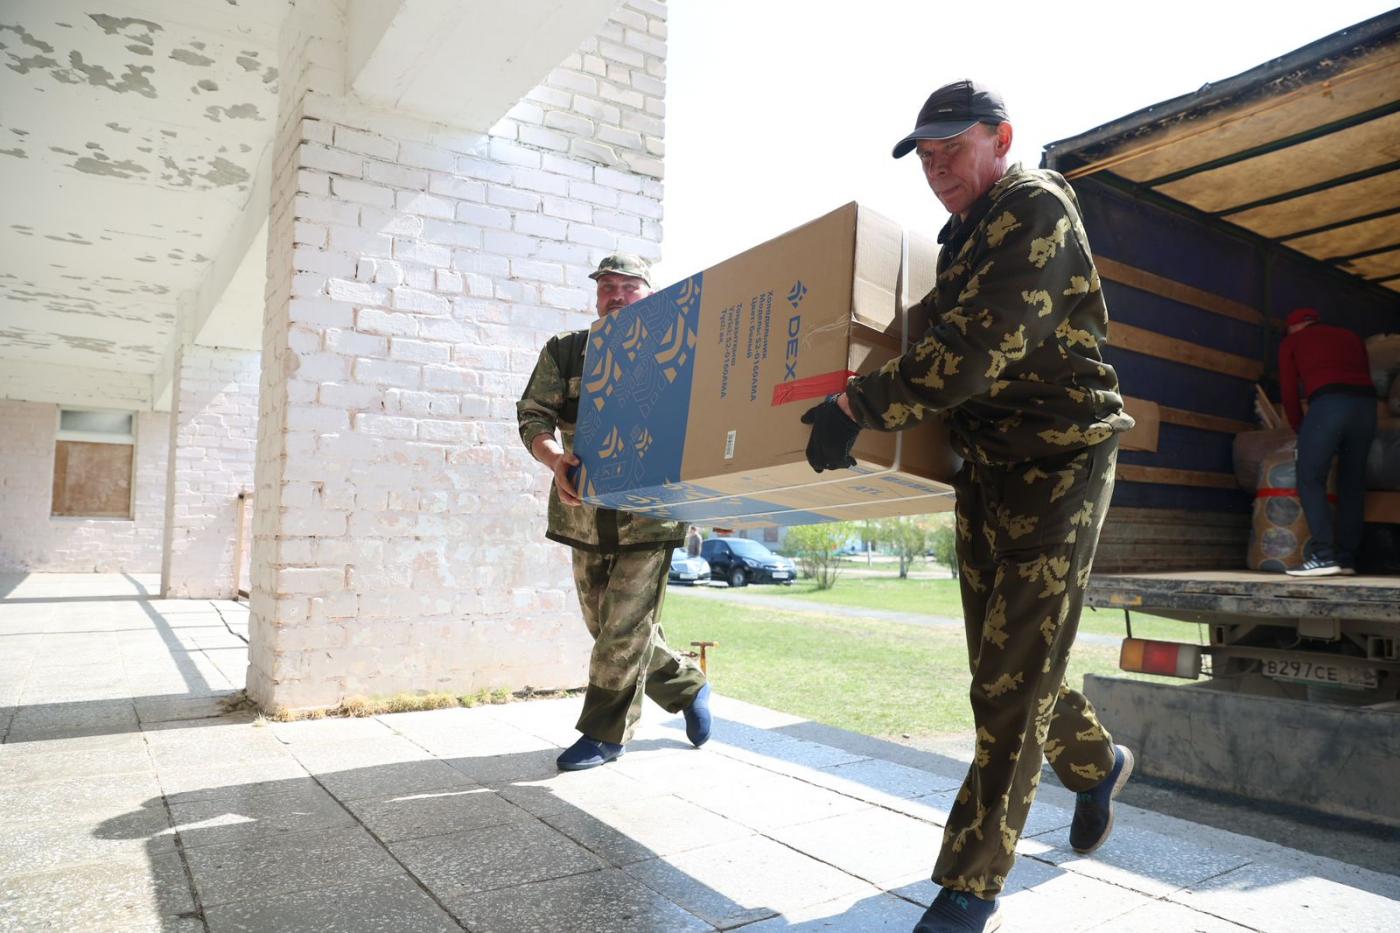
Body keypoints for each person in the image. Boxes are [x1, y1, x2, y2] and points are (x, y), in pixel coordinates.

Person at [802, 80, 1136, 933]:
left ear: (1002, 138)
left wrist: (858, 406)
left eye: (952, 147)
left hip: (1059, 461)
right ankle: (1096, 764)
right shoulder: (966, 238)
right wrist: (836, 382)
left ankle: (967, 887)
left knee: (1010, 678)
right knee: (1005, 663)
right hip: (987, 468)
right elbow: (922, 329)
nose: (937, 166)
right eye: (925, 155)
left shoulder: (1035, 207)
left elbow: (979, 346)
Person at [517, 254, 712, 770]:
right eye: (607, 286)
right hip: (583, 512)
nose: (617, 295)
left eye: (629, 286)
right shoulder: (566, 351)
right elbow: (532, 414)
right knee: (604, 624)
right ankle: (687, 686)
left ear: (651, 296)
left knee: (623, 628)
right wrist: (554, 458)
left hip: (652, 515)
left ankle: (604, 735)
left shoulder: (677, 351)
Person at [1278, 307, 1376, 576]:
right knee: (1352, 483)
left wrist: (1301, 428)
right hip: (1366, 408)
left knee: (1310, 477)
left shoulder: (1292, 342)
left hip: (1329, 405)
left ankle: (1323, 556)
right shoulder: (1352, 337)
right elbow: (1365, 374)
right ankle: (1346, 559)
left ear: (1293, 327)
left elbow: (1288, 391)